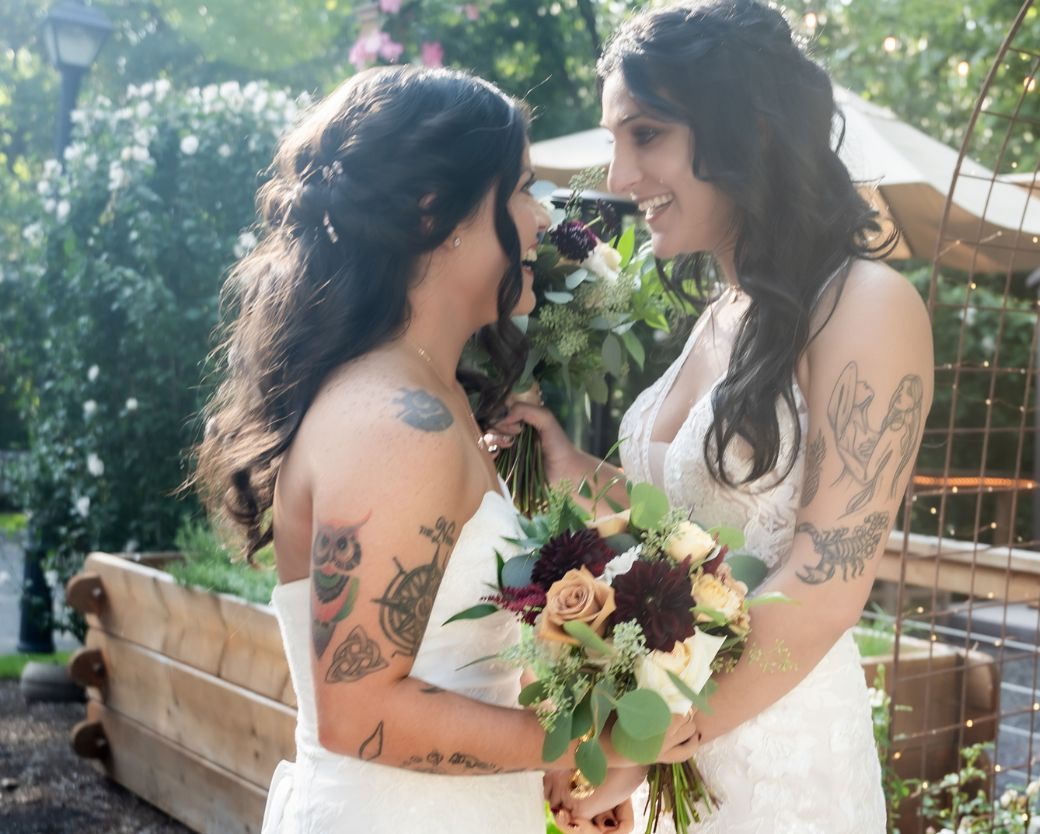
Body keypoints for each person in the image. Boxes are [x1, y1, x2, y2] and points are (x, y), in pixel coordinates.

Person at [193, 65, 698, 834]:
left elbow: (445, 661)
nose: (541, 219)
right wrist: (581, 744)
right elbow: (361, 712)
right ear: (438, 213)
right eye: (523, 189)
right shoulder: (394, 424)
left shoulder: (434, 398)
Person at [491, 1, 934, 831]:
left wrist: (645, 743)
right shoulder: (721, 312)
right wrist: (578, 473)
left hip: (775, 760)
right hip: (668, 747)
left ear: (749, 130)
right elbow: (691, 534)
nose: (619, 178)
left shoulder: (868, 306)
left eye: (647, 135)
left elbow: (827, 580)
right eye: (615, 141)